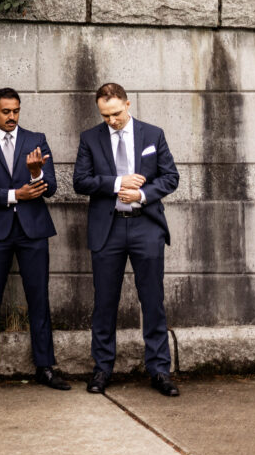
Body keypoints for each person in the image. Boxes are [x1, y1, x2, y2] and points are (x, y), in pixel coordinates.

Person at [73, 83, 180, 396]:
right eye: (105, 115)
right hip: (108, 230)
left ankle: (160, 370)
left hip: (146, 226)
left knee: (153, 302)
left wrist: (143, 193)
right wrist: (118, 182)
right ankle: (103, 368)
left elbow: (171, 177)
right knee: (104, 303)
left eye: (117, 113)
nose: (112, 121)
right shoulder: (90, 138)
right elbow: (81, 181)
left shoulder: (152, 134)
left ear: (128, 105)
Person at [0, 88, 69, 393]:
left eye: (16, 111)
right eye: (6, 111)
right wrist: (14, 195)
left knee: (39, 299)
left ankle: (45, 367)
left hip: (32, 231)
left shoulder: (36, 139)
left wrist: (36, 175)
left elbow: (50, 188)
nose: (12, 117)